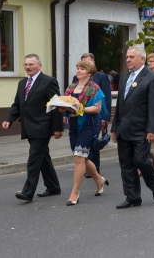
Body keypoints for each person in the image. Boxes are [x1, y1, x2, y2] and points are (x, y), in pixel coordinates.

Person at [2, 54, 64, 202]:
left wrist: (58, 128)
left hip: (42, 127)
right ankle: (53, 186)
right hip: (28, 127)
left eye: (31, 64)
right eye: (26, 65)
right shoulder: (22, 83)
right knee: (43, 159)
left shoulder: (49, 81)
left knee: (34, 159)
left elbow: (56, 105)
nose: (28, 67)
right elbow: (17, 104)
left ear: (39, 66)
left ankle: (27, 192)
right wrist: (9, 119)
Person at [111, 46, 154, 209]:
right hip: (123, 128)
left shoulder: (151, 78)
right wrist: (114, 127)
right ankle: (133, 197)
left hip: (141, 129)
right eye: (127, 57)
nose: (128, 60)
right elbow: (120, 104)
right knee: (126, 165)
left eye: (132, 57)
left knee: (140, 159)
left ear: (142, 59)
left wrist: (152, 130)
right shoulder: (124, 78)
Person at [62, 60, 109, 205]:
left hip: (89, 125)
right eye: (78, 68)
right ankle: (99, 179)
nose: (79, 71)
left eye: (82, 69)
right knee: (81, 157)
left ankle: (75, 192)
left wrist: (80, 108)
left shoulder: (94, 88)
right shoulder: (72, 87)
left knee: (78, 157)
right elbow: (66, 104)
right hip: (74, 124)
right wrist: (62, 107)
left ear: (89, 72)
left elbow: (97, 108)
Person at [72, 53, 111, 177]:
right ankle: (89, 168)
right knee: (78, 149)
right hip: (78, 119)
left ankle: (95, 167)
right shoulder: (75, 79)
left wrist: (105, 118)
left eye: (87, 63)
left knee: (93, 144)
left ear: (93, 64)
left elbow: (107, 98)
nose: (82, 67)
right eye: (81, 64)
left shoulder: (101, 77)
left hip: (94, 117)